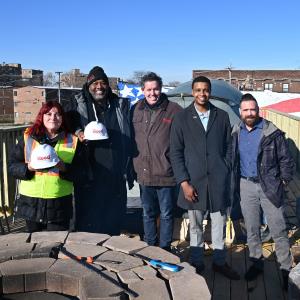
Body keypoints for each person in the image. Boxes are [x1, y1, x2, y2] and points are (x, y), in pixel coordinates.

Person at [170, 76, 240, 279]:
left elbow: (228, 147)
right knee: (195, 226)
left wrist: (225, 167)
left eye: (206, 90)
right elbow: (175, 152)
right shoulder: (182, 118)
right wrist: (184, 183)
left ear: (210, 92)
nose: (202, 94)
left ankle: (219, 262)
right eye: (198, 90)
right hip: (194, 182)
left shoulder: (221, 116)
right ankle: (197, 261)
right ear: (193, 92)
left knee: (219, 224)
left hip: (219, 180)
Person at [231, 93, 294, 289]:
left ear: (258, 110)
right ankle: (256, 263)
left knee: (279, 229)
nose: (250, 113)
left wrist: (283, 181)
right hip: (245, 185)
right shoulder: (236, 132)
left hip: (269, 185)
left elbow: (286, 160)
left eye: (253, 109)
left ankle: (286, 269)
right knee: (251, 228)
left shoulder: (271, 132)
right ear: (240, 112)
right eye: (246, 110)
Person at [65, 66, 133, 235]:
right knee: (88, 221)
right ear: (88, 86)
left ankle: (111, 257)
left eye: (103, 83)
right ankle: (87, 257)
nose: (99, 87)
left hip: (115, 174)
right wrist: (78, 132)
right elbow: (65, 123)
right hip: (89, 174)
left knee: (113, 219)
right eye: (95, 83)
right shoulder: (77, 104)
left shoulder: (119, 105)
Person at [9, 101, 80, 232]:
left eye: (58, 114)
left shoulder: (72, 140)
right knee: (34, 247)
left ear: (62, 118)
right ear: (41, 116)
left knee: (56, 246)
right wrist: (28, 168)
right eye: (48, 114)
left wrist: (64, 168)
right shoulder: (28, 138)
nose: (53, 117)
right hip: (31, 204)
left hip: (58, 205)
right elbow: (12, 167)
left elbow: (83, 173)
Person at [131, 72, 182, 251]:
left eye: (156, 89)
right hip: (144, 172)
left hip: (166, 173)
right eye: (149, 90)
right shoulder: (135, 109)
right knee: (148, 213)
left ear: (161, 89)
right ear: (143, 90)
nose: (153, 93)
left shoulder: (174, 110)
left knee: (167, 214)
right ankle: (150, 247)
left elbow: (183, 140)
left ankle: (165, 248)